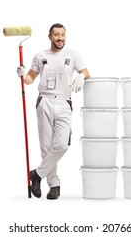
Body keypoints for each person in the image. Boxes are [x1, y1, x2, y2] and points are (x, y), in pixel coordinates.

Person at [17, 23, 90, 199]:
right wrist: (22, 74)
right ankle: (54, 185)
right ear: (49, 36)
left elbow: (86, 72)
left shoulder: (72, 54)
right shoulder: (40, 55)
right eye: (56, 35)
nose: (60, 38)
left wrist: (81, 76)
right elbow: (29, 80)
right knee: (47, 146)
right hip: (45, 102)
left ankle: (37, 174)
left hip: (64, 103)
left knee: (62, 145)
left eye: (63, 35)